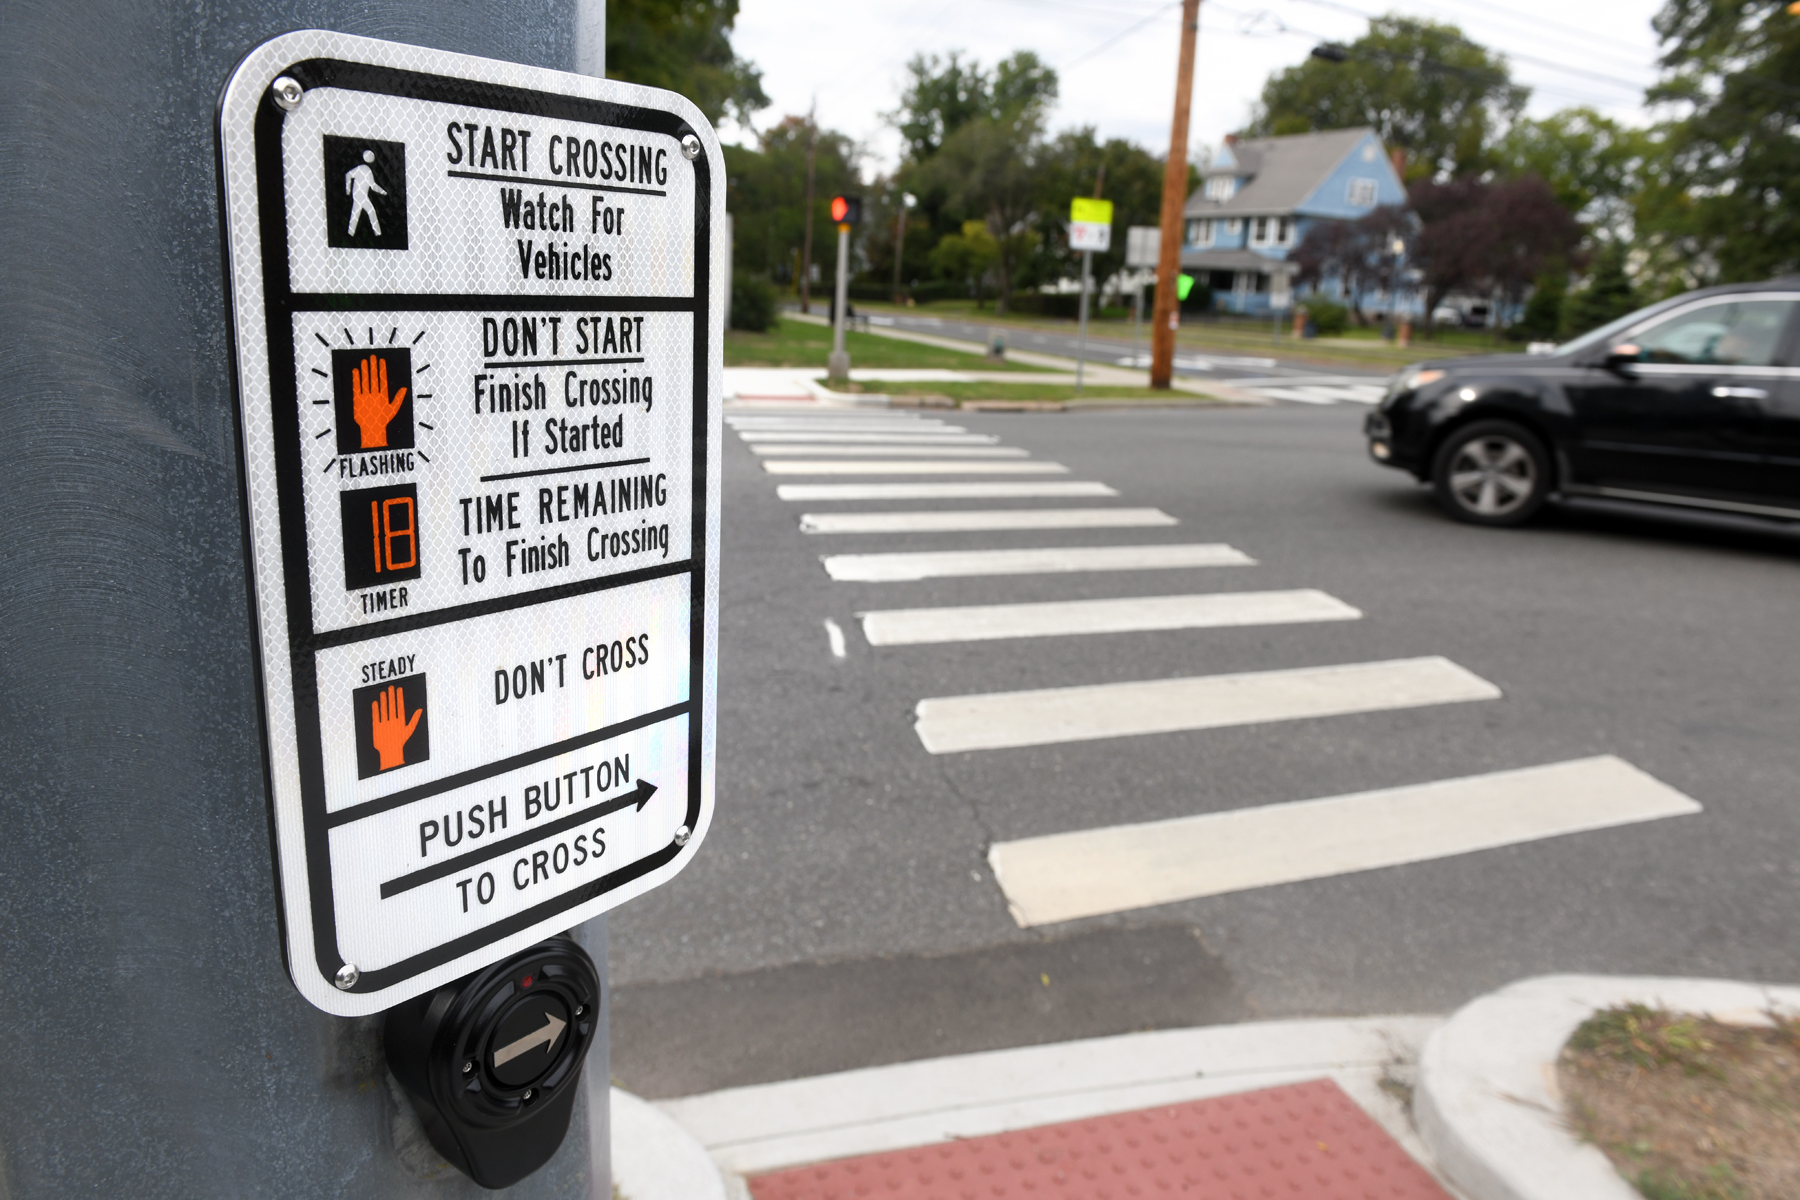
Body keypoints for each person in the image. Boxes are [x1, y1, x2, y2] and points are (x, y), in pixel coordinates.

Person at [345, 149, 387, 238]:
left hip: (360, 196)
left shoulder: (367, 170)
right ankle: (378, 234)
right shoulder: (363, 168)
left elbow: (373, 185)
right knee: (370, 212)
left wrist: (383, 192)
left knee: (356, 214)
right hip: (360, 196)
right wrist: (347, 190)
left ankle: (350, 233)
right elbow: (348, 174)